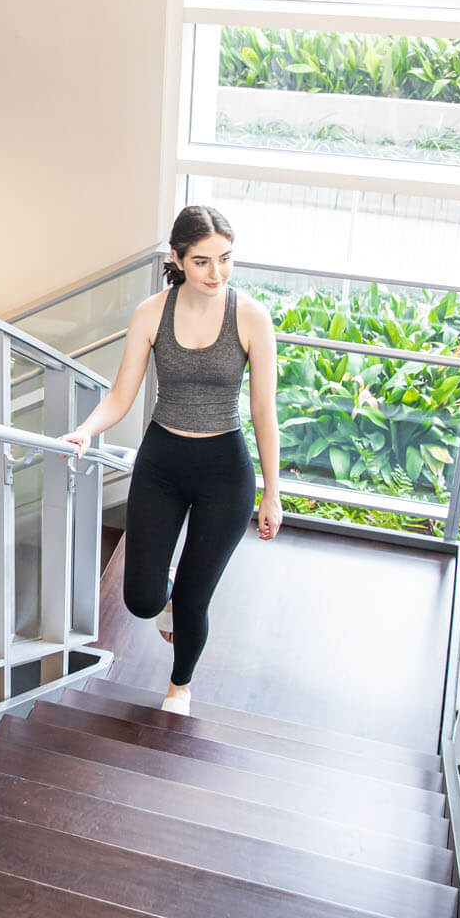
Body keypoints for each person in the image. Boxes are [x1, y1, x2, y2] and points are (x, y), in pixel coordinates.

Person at [59, 205, 282, 715]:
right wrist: (86, 431)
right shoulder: (151, 313)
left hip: (224, 471)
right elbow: (120, 396)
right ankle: (169, 598)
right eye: (202, 262)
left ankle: (179, 687)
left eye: (225, 259)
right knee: (140, 598)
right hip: (162, 460)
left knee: (193, 598)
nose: (216, 273)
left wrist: (272, 493)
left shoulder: (249, 317)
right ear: (177, 258)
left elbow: (264, 411)